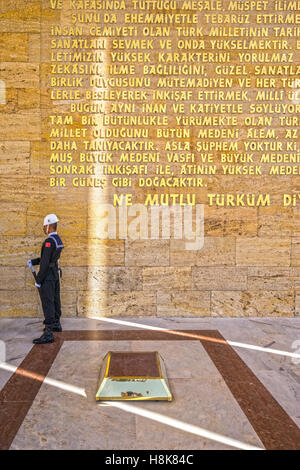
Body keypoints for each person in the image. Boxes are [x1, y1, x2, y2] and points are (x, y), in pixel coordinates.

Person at [27, 214, 64, 344]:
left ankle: (49, 333)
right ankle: (56, 324)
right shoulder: (57, 240)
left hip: (48, 276)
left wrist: (38, 280)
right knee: (55, 300)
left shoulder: (48, 241)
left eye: (44, 226)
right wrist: (34, 261)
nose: (43, 228)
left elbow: (45, 263)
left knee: (48, 302)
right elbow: (49, 259)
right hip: (55, 274)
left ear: (49, 226)